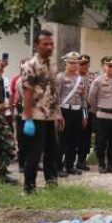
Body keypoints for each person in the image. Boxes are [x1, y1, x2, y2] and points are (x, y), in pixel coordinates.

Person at [22, 30, 64, 194]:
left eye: (51, 44)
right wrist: (28, 118)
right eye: (45, 44)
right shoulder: (30, 65)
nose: (49, 47)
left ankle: (51, 183)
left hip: (50, 116)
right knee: (34, 153)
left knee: (53, 150)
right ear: (36, 45)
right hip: (36, 116)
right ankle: (29, 188)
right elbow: (27, 93)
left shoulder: (51, 64)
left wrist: (58, 113)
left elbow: (54, 91)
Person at [89, 57, 112, 174]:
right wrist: (97, 109)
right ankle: (101, 164)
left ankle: (111, 164)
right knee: (101, 142)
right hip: (103, 115)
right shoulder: (98, 81)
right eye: (109, 66)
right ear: (104, 67)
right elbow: (91, 98)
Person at [56, 52, 87, 176]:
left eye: (76, 63)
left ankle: (70, 166)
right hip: (64, 111)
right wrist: (59, 115)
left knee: (74, 141)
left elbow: (83, 97)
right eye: (72, 63)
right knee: (61, 141)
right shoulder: (60, 77)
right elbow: (57, 97)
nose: (75, 65)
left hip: (77, 111)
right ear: (66, 63)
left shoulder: (81, 79)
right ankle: (58, 167)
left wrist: (84, 115)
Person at [76, 54, 95, 171]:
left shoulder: (92, 77)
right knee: (74, 136)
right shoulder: (74, 77)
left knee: (86, 137)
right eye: (81, 63)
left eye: (86, 63)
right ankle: (67, 161)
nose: (84, 66)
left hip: (88, 110)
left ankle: (81, 161)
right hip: (76, 109)